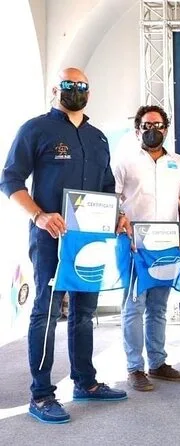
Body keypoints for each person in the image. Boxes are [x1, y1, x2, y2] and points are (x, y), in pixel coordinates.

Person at [0, 68, 129, 424]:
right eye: (69, 85)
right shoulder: (36, 129)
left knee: (85, 311)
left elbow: (106, 187)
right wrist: (39, 215)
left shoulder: (98, 137)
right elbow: (10, 179)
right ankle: (41, 394)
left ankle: (85, 382)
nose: (76, 90)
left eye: (82, 85)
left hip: (90, 240)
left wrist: (117, 216)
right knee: (47, 311)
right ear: (56, 89)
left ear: (89, 92)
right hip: (50, 238)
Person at [114, 105, 180, 391]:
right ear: (138, 130)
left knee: (159, 307)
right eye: (147, 125)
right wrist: (120, 221)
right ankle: (135, 367)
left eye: (158, 125)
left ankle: (158, 363)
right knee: (134, 307)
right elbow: (112, 198)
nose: (153, 130)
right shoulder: (124, 161)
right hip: (135, 245)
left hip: (168, 244)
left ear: (166, 129)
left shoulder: (178, 162)